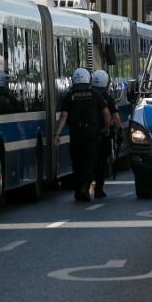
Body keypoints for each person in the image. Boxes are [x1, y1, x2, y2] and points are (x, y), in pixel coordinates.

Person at [53, 68, 111, 202]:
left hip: (76, 134)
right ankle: (85, 186)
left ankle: (79, 189)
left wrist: (57, 134)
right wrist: (106, 129)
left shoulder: (69, 96)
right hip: (91, 135)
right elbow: (107, 114)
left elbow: (63, 115)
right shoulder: (95, 94)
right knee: (90, 161)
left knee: (77, 161)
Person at [91, 70, 122, 198]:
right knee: (102, 162)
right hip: (103, 135)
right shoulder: (108, 99)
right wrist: (119, 133)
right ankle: (98, 188)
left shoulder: (88, 96)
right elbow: (115, 117)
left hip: (87, 134)